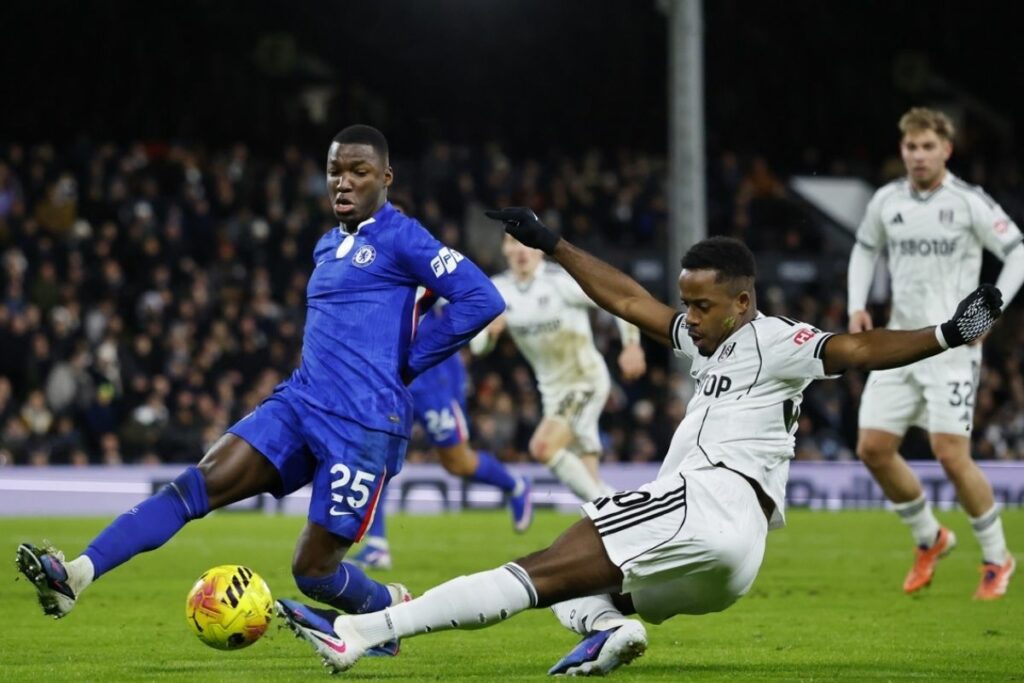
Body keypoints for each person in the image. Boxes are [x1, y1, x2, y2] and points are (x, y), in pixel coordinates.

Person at [273, 209, 1003, 676]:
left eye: (704, 303)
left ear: (744, 301)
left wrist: (948, 332)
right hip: (730, 564)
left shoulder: (778, 340)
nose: (690, 315)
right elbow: (627, 299)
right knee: (572, 597)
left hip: (708, 501)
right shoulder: (707, 341)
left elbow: (859, 350)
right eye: (686, 301)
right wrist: (555, 242)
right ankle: (614, 632)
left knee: (535, 570)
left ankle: (364, 632)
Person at [16, 125, 505, 627]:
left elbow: (482, 299)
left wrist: (406, 362)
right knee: (193, 487)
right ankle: (76, 575)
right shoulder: (325, 245)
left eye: (358, 172)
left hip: (363, 426)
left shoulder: (404, 236)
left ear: (385, 177)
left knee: (313, 573)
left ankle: (392, 614)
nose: (343, 182)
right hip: (299, 404)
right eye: (335, 171)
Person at [847, 107, 1024, 599]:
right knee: (873, 449)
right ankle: (930, 537)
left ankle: (996, 558)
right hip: (899, 342)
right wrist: (857, 306)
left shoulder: (968, 202)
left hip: (951, 349)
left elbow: (1019, 251)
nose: (918, 156)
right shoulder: (886, 201)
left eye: (928, 147)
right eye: (911, 147)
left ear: (947, 149)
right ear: (902, 150)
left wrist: (991, 309)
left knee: (951, 455)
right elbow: (864, 249)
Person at [469, 234, 647, 502]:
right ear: (504, 249)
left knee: (542, 447)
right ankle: (607, 512)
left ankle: (610, 508)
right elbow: (477, 347)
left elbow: (615, 298)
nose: (521, 250)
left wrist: (631, 344)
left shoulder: (560, 281)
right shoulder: (498, 290)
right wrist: (490, 335)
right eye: (513, 243)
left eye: (527, 243)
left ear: (540, 250)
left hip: (584, 379)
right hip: (551, 391)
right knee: (586, 472)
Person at [351, 341, 533, 571]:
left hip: (433, 384)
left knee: (458, 463)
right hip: (394, 381)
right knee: (377, 459)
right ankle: (377, 545)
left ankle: (515, 485)